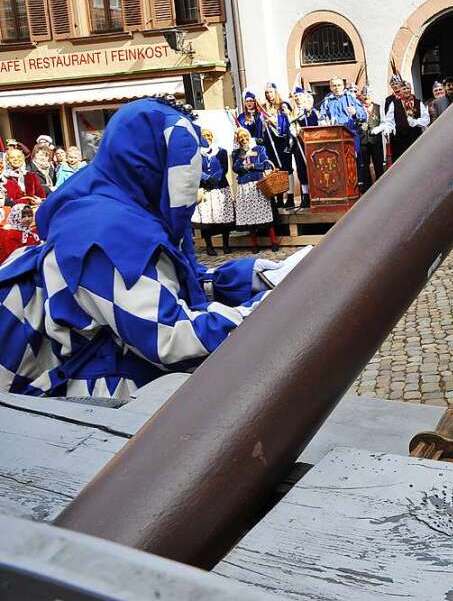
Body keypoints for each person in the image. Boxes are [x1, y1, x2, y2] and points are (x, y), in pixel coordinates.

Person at [0, 97, 279, 399]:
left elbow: (164, 284)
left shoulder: (113, 200)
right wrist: (271, 308)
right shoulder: (102, 229)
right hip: (111, 401)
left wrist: (245, 278)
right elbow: (168, 339)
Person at [232, 127, 279, 251]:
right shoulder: (236, 153)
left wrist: (253, 165)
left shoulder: (259, 149)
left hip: (258, 183)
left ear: (249, 136)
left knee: (265, 213)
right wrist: (243, 156)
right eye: (240, 138)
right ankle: (254, 244)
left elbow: (266, 164)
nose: (243, 139)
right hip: (244, 185)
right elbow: (235, 168)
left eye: (245, 136)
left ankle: (273, 242)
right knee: (250, 215)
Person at [192, 129, 235, 256]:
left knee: (223, 218)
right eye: (203, 137)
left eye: (208, 136)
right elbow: (196, 169)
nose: (206, 138)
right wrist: (206, 179)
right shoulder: (197, 154)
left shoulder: (221, 151)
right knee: (207, 220)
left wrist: (214, 179)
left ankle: (226, 245)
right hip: (206, 190)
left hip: (220, 188)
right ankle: (209, 246)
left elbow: (224, 168)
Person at [262, 83, 298, 209]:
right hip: (269, 142)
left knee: (286, 169)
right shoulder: (264, 108)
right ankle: (278, 197)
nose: (269, 95)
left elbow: (286, 124)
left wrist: (274, 121)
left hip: (281, 141)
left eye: (271, 92)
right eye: (267, 92)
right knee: (274, 169)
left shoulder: (282, 105)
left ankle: (290, 197)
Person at [382, 77, 429, 161]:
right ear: (400, 91)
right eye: (404, 89)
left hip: (416, 137)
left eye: (408, 88)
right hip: (400, 139)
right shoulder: (394, 103)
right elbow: (389, 120)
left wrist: (415, 122)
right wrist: (388, 129)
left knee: (417, 159)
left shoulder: (418, 102)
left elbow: (426, 118)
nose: (406, 90)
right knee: (402, 160)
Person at [290, 85, 318, 209]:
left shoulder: (310, 111)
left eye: (299, 96)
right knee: (301, 169)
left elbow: (314, 124)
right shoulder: (292, 112)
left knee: (312, 167)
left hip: (310, 143)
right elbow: (288, 124)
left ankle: (315, 193)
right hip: (298, 144)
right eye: (295, 96)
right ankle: (305, 196)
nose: (297, 98)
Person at [355, 84, 386, 192]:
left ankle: (381, 186)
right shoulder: (357, 108)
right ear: (361, 96)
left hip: (375, 139)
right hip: (362, 140)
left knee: (378, 162)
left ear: (372, 96)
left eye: (368, 94)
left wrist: (378, 129)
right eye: (363, 94)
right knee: (364, 164)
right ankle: (367, 187)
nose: (366, 96)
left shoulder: (378, 107)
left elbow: (384, 122)